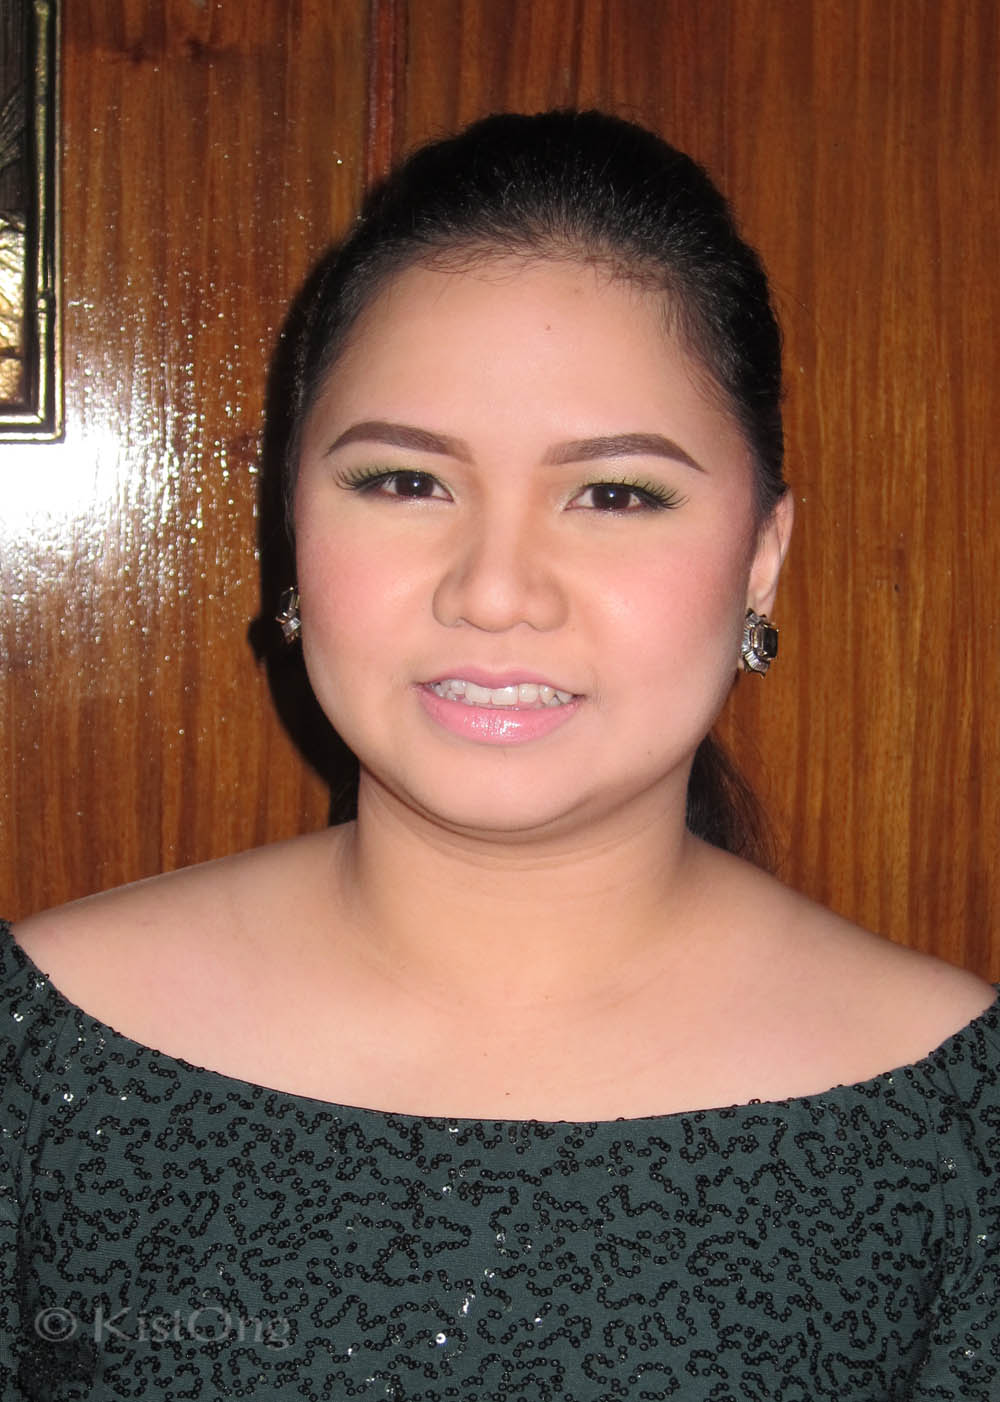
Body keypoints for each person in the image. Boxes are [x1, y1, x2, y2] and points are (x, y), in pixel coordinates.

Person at [2, 110, 997, 1400]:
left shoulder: (959, 1123)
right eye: (404, 482)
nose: (494, 591)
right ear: (289, 522)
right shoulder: (38, 1055)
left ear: (761, 557)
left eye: (616, 494)